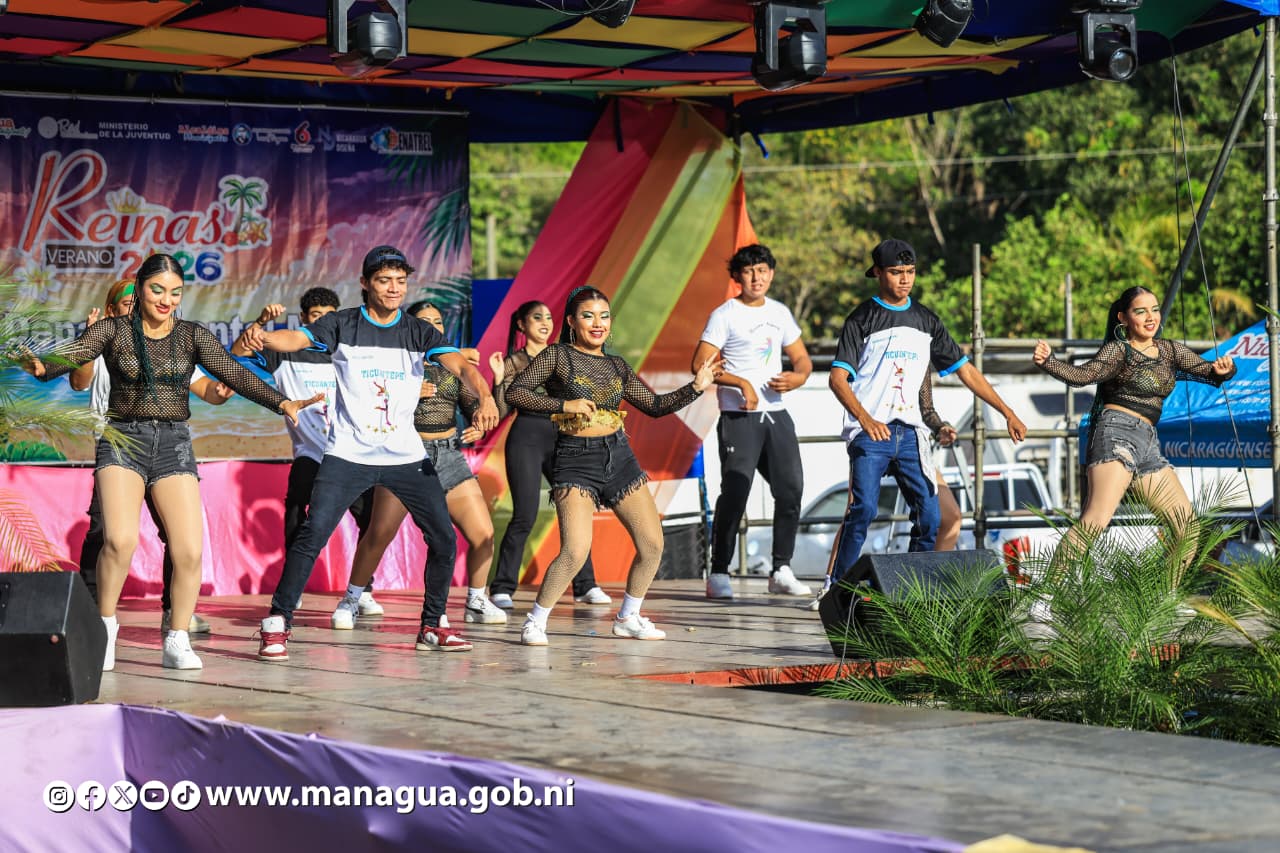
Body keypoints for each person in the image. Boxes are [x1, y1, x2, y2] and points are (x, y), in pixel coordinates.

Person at [25, 254, 319, 671]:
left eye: (175, 292)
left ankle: (177, 638)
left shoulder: (190, 335)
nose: (166, 300)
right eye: (158, 290)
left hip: (174, 444)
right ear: (141, 288)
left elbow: (233, 374)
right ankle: (105, 628)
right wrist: (39, 367)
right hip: (123, 440)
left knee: (188, 550)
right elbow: (69, 359)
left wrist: (281, 402)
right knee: (119, 541)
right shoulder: (112, 330)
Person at [243, 245, 498, 660]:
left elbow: (463, 367)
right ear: (365, 283)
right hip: (348, 454)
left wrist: (484, 396)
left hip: (405, 457)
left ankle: (433, 624)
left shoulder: (418, 331)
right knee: (313, 532)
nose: (394, 288)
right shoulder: (342, 324)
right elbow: (296, 339)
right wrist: (266, 338)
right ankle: (277, 621)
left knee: (443, 538)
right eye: (384, 280)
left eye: (400, 281)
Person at [506, 286, 720, 646]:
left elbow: (654, 406)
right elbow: (516, 392)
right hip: (575, 460)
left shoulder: (616, 365)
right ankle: (535, 621)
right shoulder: (558, 355)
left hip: (619, 457)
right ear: (572, 321)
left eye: (604, 316)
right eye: (588, 316)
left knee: (652, 544)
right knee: (575, 551)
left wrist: (695, 388)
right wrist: (563, 405)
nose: (598, 323)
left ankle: (628, 617)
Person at [825, 239, 1027, 596]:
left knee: (931, 517)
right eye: (895, 272)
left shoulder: (927, 320)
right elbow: (837, 379)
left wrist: (1007, 411)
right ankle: (836, 589)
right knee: (863, 509)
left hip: (911, 435)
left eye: (910, 272)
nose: (905, 279)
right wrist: (866, 419)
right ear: (877, 273)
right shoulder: (862, 318)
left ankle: (909, 589)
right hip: (870, 434)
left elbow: (966, 371)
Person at [1032, 285, 1235, 588]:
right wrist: (1048, 361)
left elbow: (1209, 372)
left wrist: (1225, 369)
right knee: (1095, 521)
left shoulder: (1169, 351)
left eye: (1154, 310)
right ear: (1123, 318)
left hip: (1148, 442)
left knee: (1187, 529)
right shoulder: (1119, 350)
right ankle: (1045, 597)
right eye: (1141, 312)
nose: (1151, 317)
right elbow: (1083, 376)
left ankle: (1161, 602)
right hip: (1116, 433)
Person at [335, 300, 506, 629]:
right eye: (425, 321)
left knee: (484, 534)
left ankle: (476, 600)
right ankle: (352, 599)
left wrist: (479, 419)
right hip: (406, 455)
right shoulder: (394, 365)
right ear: (412, 328)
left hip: (449, 455)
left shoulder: (452, 368)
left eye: (438, 321)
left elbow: (473, 406)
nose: (433, 326)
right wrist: (408, 392)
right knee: (379, 533)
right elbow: (368, 404)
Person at [230, 288, 379, 616]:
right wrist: (260, 323)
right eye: (315, 316)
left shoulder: (349, 353)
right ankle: (292, 587)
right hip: (310, 454)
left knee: (371, 519)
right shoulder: (285, 353)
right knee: (298, 516)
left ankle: (362, 590)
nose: (322, 322)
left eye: (328, 316)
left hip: (350, 453)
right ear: (303, 319)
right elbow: (237, 354)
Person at [694, 244, 812, 600]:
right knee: (736, 492)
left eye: (762, 270)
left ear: (771, 274)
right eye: (748, 271)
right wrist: (741, 383)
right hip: (739, 417)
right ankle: (719, 571)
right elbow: (700, 365)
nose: (756, 278)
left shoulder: (780, 312)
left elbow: (802, 360)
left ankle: (781, 569)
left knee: (791, 490)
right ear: (737, 277)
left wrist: (798, 378)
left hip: (776, 415)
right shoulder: (724, 314)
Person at [487, 300, 608, 609]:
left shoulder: (563, 356)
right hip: (526, 440)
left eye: (549, 318)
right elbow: (500, 412)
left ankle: (585, 585)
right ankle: (502, 588)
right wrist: (498, 379)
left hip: (563, 439)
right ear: (522, 325)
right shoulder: (514, 361)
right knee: (524, 515)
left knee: (576, 512)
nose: (545, 323)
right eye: (537, 318)